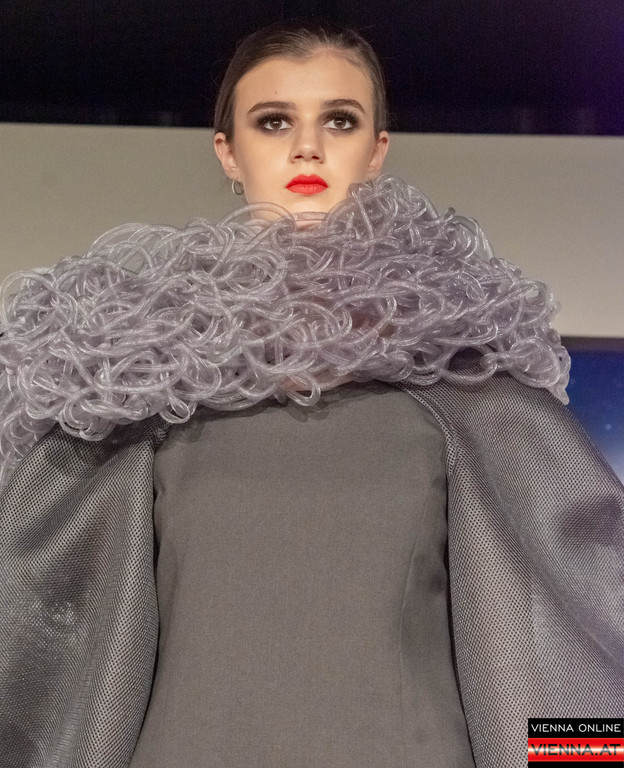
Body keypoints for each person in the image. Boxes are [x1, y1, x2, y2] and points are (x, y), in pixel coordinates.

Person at [0, 21, 622, 768]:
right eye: (273, 121)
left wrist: (585, 753)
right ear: (227, 151)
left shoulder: (471, 397)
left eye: (339, 120)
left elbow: (572, 632)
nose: (307, 147)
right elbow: (38, 636)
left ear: (377, 150)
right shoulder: (130, 398)